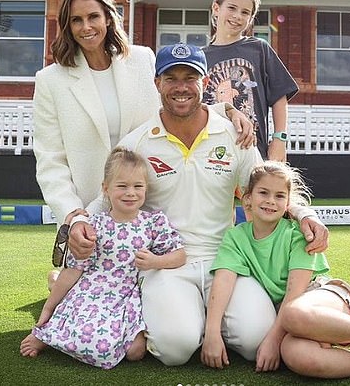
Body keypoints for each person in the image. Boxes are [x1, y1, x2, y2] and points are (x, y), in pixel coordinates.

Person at [69, 43, 329, 367]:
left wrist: (305, 213)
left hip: (229, 259)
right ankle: (194, 320)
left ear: (205, 84)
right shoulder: (137, 142)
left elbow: (269, 186)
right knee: (175, 349)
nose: (181, 87)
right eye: (171, 78)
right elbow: (104, 198)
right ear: (157, 84)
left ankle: (208, 318)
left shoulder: (234, 136)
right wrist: (77, 220)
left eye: (190, 78)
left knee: (255, 340)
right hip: (167, 263)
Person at [32, 0, 253, 284]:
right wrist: (73, 215)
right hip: (93, 207)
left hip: (147, 200)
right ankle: (65, 275)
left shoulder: (142, 60)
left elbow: (177, 103)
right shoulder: (51, 81)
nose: (86, 27)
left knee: (143, 290)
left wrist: (227, 111)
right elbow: (50, 161)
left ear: (108, 17)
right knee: (87, 301)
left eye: (93, 17)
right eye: (76, 20)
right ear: (67, 26)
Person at [202, 160, 350, 384]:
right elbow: (224, 279)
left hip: (321, 298)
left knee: (293, 313)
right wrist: (212, 333)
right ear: (247, 199)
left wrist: (273, 339)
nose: (271, 201)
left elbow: (296, 292)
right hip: (290, 316)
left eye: (280, 196)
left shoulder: (297, 233)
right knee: (297, 356)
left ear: (288, 203)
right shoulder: (236, 237)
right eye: (263, 193)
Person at [20, 147, 186, 368]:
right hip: (93, 291)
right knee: (85, 333)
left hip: (128, 296)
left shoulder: (153, 223)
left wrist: (156, 262)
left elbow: (180, 255)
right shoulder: (95, 225)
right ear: (106, 189)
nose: (131, 193)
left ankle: (54, 286)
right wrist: (48, 310)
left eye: (138, 186)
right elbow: (75, 270)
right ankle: (49, 335)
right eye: (122, 186)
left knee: (136, 352)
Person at [202, 0, 299, 161]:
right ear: (216, 8)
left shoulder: (259, 49)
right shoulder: (199, 58)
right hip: (210, 154)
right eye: (231, 8)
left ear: (251, 18)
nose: (237, 16)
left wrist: (279, 139)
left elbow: (279, 96)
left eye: (245, 12)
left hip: (253, 152)